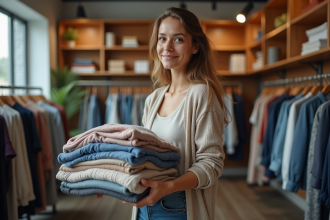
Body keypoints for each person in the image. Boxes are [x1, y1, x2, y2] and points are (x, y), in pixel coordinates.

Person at [123, 7, 229, 220]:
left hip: (179, 207)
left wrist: (168, 186)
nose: (167, 47)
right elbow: (145, 155)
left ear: (195, 47)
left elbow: (211, 164)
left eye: (178, 39)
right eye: (162, 38)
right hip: (143, 205)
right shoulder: (154, 98)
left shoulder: (202, 94)